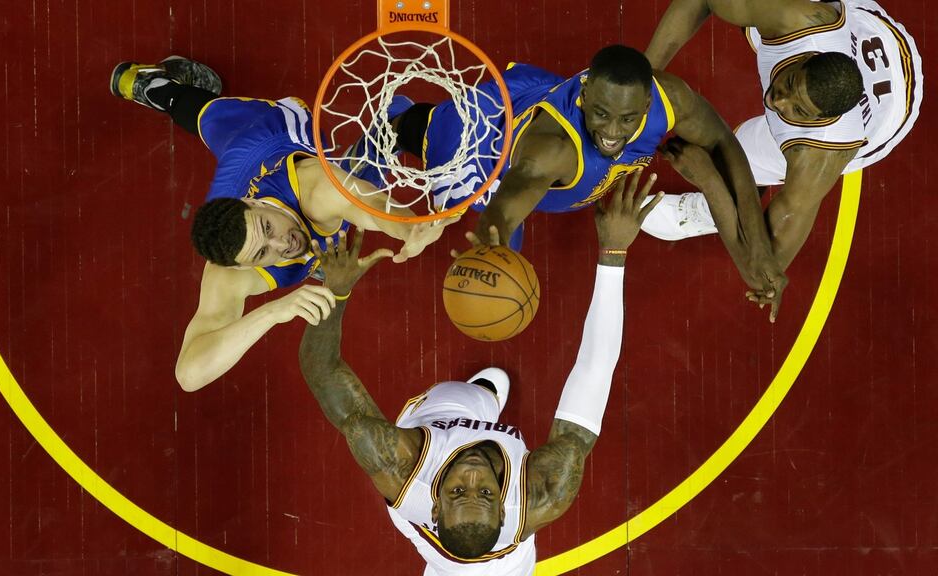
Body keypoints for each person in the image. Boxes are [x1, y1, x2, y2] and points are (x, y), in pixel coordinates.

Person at [297, 171, 662, 575]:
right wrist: (613, 254)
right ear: (506, 514)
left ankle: (481, 397)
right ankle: (484, 398)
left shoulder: (398, 467)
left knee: (466, 397)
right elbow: (596, 368)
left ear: (433, 504)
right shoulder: (544, 493)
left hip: (438, 430)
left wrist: (336, 289)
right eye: (486, 492)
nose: (471, 475)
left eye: (457, 491)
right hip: (507, 568)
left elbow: (322, 368)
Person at [110, 56, 456, 391]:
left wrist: (410, 229)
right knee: (215, 128)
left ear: (253, 202)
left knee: (205, 112)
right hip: (234, 185)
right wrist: (273, 312)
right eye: (263, 253)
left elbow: (374, 206)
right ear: (241, 265)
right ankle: (139, 83)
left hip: (265, 134)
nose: (282, 244)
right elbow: (189, 375)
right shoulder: (229, 271)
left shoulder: (315, 188)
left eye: (268, 229)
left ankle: (150, 85)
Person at [392, 46, 786, 318]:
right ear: (583, 95)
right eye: (600, 114)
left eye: (628, 119)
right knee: (428, 137)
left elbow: (723, 141)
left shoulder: (670, 98)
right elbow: (514, 192)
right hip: (486, 146)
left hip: (544, 124)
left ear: (648, 104)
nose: (612, 133)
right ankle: (396, 120)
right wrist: (490, 242)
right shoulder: (553, 147)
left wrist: (757, 247)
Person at [644, 0, 923, 308]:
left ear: (819, 120)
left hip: (891, 113)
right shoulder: (797, 21)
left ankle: (707, 213)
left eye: (799, 110)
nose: (779, 102)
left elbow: (766, 266)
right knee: (748, 10)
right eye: (790, 83)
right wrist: (640, 81)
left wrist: (710, 182)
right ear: (808, 57)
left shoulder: (818, 154)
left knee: (738, 160)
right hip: (872, 30)